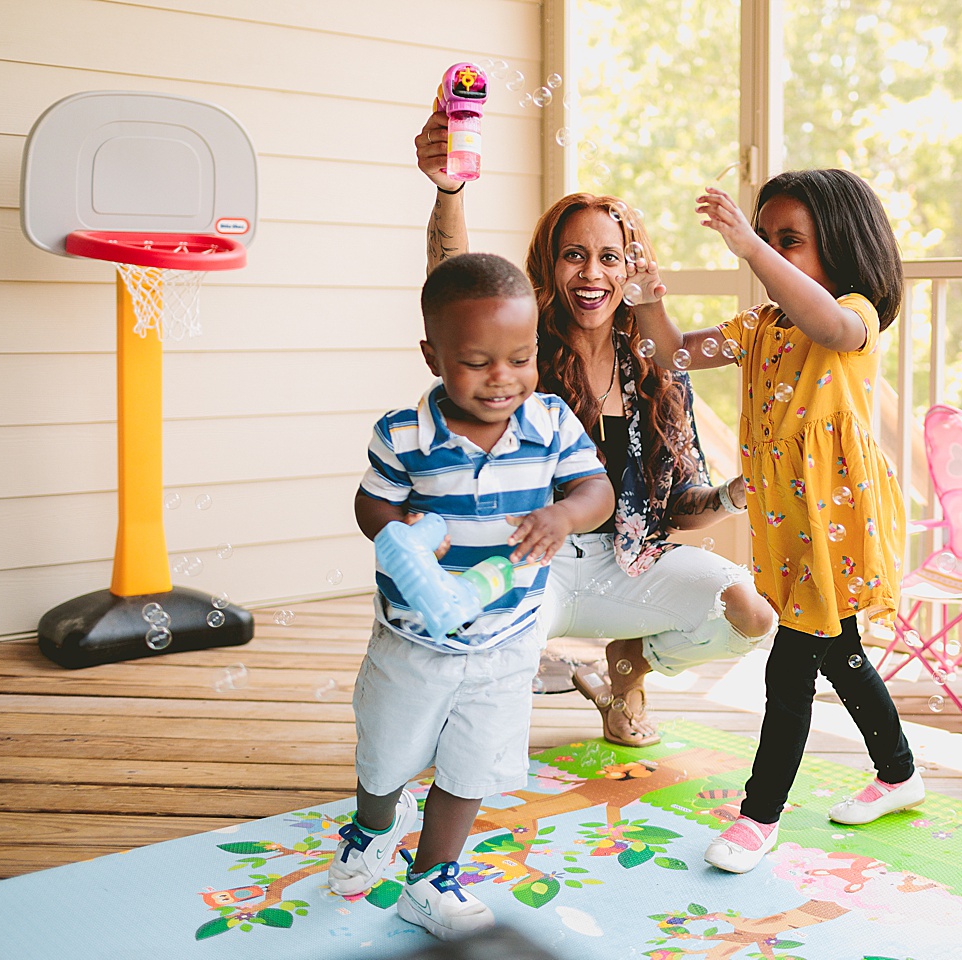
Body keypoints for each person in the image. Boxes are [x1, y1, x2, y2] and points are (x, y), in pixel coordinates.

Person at [415, 111, 779, 748]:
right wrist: (450, 191)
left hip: (629, 562)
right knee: (488, 685)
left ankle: (627, 670)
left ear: (630, 272)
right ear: (548, 267)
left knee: (751, 613)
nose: (591, 273)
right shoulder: (520, 350)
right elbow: (453, 286)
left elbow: (680, 509)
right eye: (574, 256)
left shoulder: (658, 372)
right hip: (531, 559)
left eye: (609, 257)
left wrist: (734, 496)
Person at [632, 169, 923, 875]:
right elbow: (673, 354)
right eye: (764, 238)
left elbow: (825, 320)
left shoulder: (853, 317)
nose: (765, 253)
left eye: (788, 241)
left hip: (837, 525)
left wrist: (747, 248)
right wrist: (646, 299)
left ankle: (758, 817)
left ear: (844, 246)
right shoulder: (759, 327)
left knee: (791, 667)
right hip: (789, 524)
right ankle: (900, 772)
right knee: (840, 651)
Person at [331, 252, 614, 939]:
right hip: (415, 636)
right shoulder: (403, 434)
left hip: (506, 636)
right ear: (434, 355)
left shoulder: (550, 423)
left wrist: (564, 516)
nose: (502, 378)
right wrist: (401, 537)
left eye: (520, 358)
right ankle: (373, 825)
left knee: (473, 763)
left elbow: (596, 491)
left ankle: (431, 881)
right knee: (388, 756)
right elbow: (371, 507)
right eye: (478, 361)